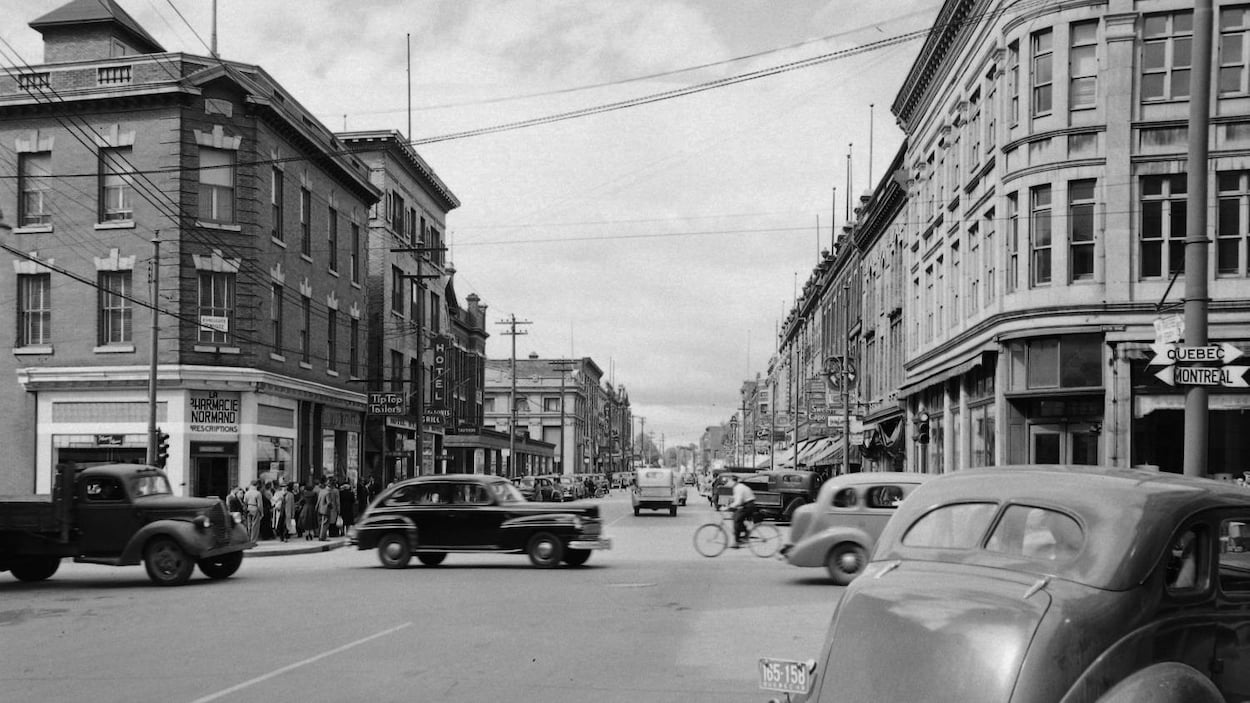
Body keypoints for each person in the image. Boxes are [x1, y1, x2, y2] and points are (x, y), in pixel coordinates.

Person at [724, 474, 757, 548]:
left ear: (733, 481)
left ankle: (737, 541)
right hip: (747, 504)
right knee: (736, 516)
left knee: (737, 519)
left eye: (729, 481)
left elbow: (738, 502)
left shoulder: (739, 488)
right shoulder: (737, 487)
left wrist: (728, 507)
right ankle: (744, 534)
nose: (728, 483)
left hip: (749, 505)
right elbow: (737, 500)